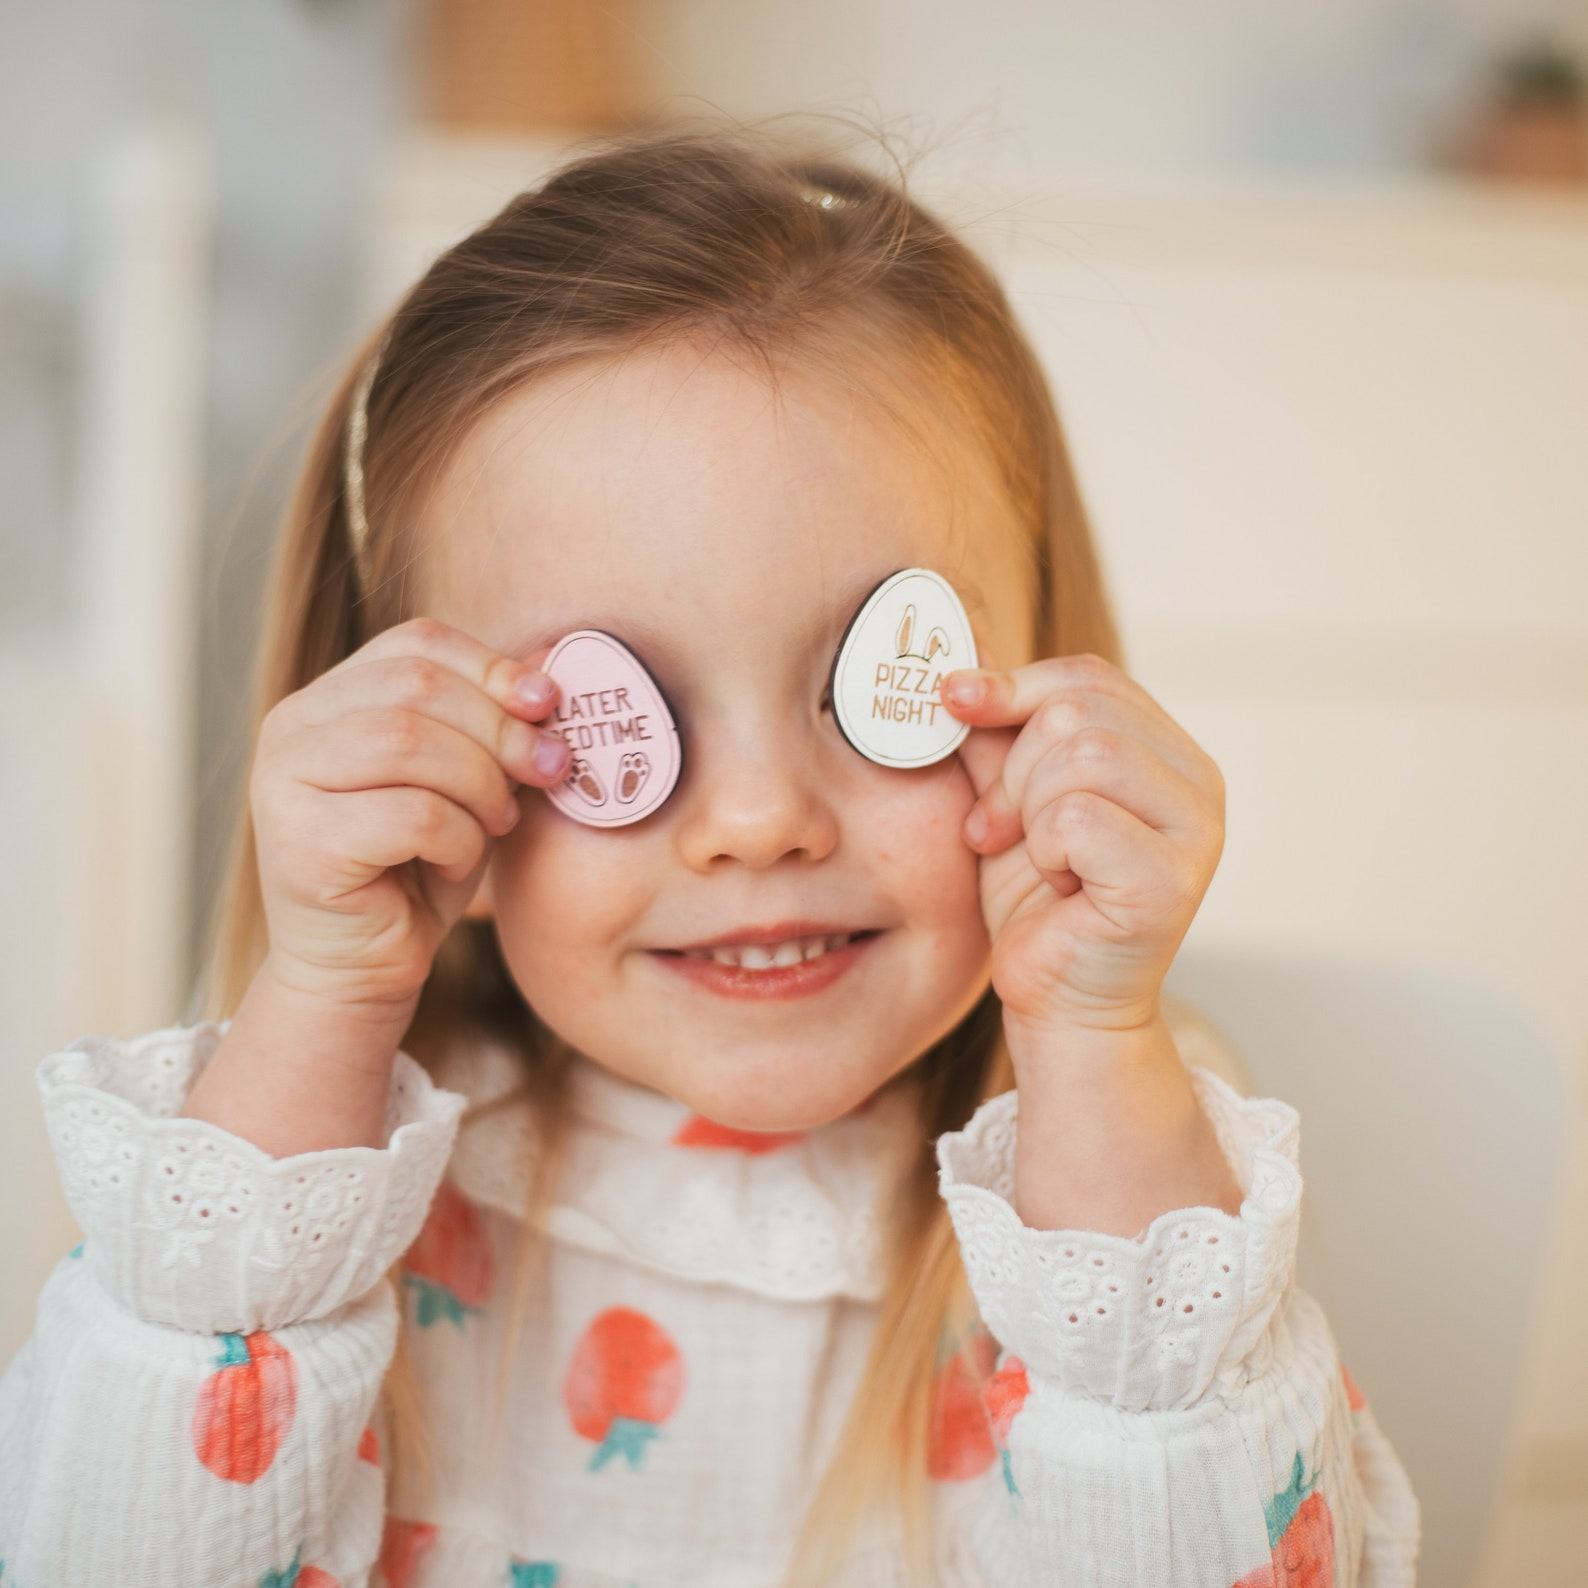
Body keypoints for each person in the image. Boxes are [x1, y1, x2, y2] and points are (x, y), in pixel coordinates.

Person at [0, 123, 1421, 1587]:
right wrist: (322, 1002)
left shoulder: (1120, 1220)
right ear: (439, 781)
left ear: (1043, 684)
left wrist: (1097, 1044)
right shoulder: (298, 1203)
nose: (758, 820)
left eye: (873, 686)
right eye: (622, 708)